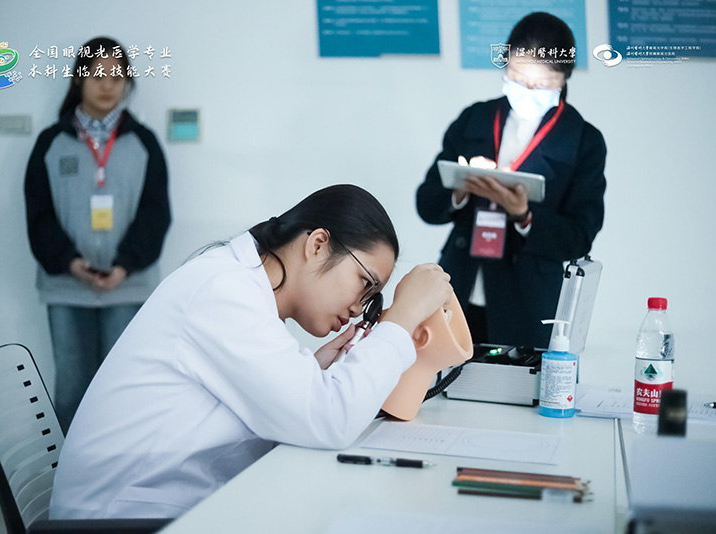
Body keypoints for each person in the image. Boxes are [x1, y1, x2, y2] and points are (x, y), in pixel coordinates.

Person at [48, 184, 453, 519]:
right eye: (365, 284)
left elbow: (285, 416)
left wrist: (309, 377)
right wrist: (404, 318)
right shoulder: (224, 291)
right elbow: (330, 420)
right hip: (120, 519)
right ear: (317, 244)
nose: (359, 309)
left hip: (159, 507)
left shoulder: (237, 284)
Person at [416, 12, 606, 348]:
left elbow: (579, 237)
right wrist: (460, 190)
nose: (528, 91)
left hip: (527, 298)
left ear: (564, 78)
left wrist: (524, 215)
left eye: (542, 84)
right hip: (460, 282)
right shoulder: (476, 117)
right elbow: (427, 203)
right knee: (446, 371)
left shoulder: (582, 140)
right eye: (517, 78)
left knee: (514, 378)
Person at [24, 36, 171, 433]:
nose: (108, 85)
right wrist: (70, 263)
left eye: (117, 76)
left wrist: (124, 265)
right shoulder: (51, 143)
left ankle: (120, 468)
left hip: (127, 287)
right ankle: (71, 471)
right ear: (79, 79)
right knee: (72, 392)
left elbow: (155, 213)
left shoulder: (144, 142)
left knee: (121, 391)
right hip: (66, 288)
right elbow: (39, 214)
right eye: (97, 75)